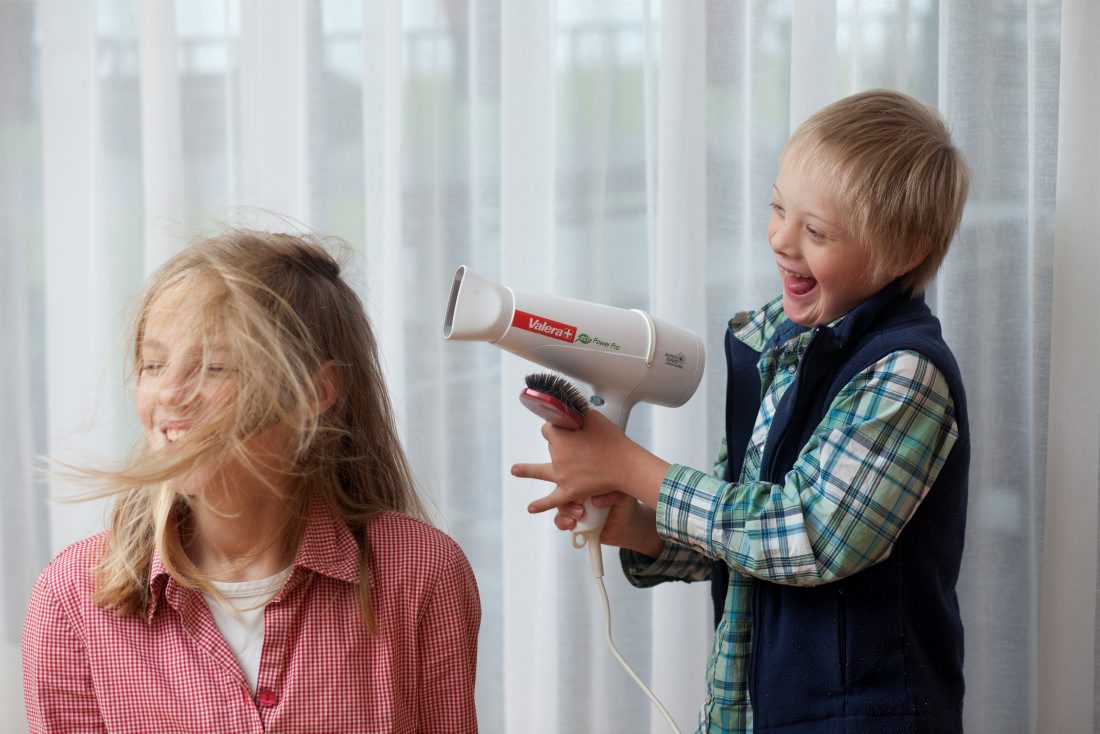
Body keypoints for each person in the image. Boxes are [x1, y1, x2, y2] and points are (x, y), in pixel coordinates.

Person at [514, 88, 971, 733]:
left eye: (815, 231)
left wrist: (634, 466)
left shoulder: (905, 376)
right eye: (777, 209)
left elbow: (804, 536)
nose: (781, 240)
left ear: (906, 251)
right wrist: (641, 525)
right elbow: (742, 536)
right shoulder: (775, 349)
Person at [23, 229, 481, 733]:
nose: (170, 394)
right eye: (153, 364)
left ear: (315, 391)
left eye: (216, 366)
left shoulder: (422, 573)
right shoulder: (71, 598)